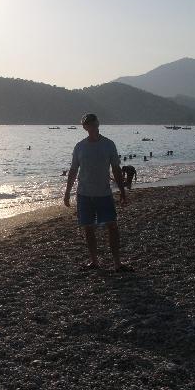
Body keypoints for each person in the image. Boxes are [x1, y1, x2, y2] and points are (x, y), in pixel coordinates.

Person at [64, 113, 132, 272]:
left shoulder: (108, 145)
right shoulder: (80, 146)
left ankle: (117, 263)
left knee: (112, 226)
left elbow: (116, 169)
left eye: (94, 123)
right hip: (84, 194)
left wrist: (122, 191)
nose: (93, 126)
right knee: (88, 228)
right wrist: (67, 192)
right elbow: (73, 170)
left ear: (98, 124)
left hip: (104, 194)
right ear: (85, 127)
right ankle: (94, 261)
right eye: (89, 124)